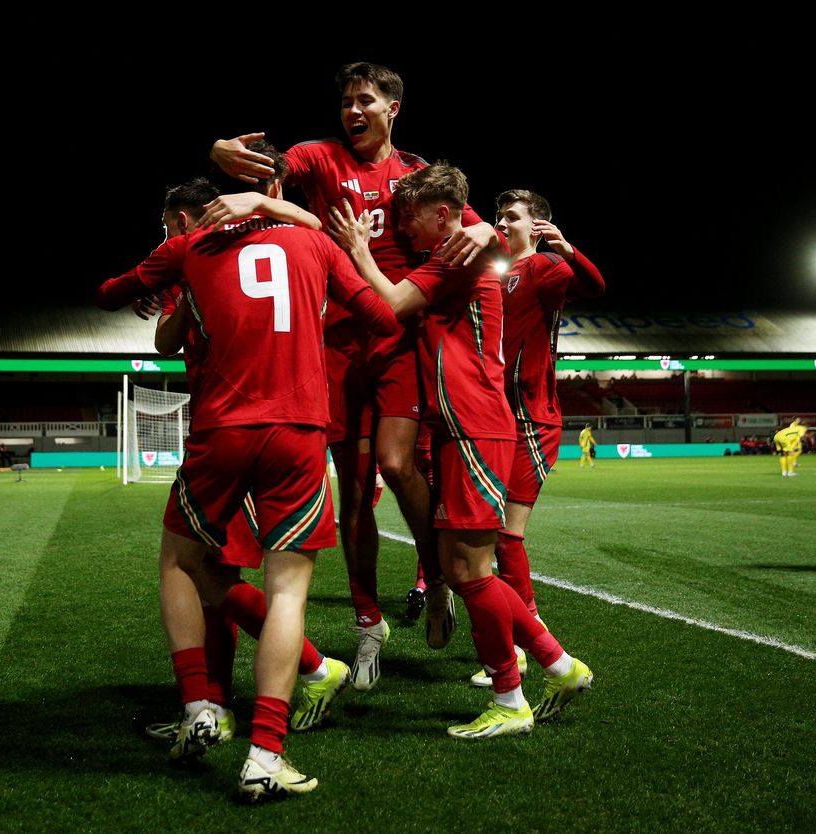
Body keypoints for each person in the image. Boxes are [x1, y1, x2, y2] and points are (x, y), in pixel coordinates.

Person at [99, 142, 398, 800]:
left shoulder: (192, 250)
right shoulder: (312, 247)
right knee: (274, 586)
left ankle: (205, 706)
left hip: (223, 428)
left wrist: (165, 276)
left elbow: (112, 295)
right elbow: (382, 318)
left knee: (191, 565)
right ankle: (265, 745)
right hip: (297, 429)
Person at [211, 62, 500, 691]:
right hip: (335, 340)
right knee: (355, 488)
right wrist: (223, 153)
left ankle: (438, 575)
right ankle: (370, 623)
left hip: (395, 336)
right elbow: (273, 167)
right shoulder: (319, 157)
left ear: (394, 107)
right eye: (345, 100)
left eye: (365, 99)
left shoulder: (412, 173)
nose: (352, 110)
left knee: (398, 465)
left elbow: (472, 220)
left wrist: (480, 232)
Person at [330, 162, 593, 739]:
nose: (400, 228)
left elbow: (389, 307)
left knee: (472, 570)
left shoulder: (456, 254)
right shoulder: (464, 250)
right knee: (463, 567)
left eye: (409, 217)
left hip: (477, 426)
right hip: (461, 429)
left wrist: (356, 251)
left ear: (442, 215)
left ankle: (513, 696)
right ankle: (557, 665)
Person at [139, 176, 352, 747]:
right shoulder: (197, 264)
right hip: (224, 426)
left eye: (168, 229)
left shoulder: (260, 251)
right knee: (210, 573)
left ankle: (222, 703)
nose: (165, 239)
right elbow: (164, 339)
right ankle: (285, 678)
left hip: (252, 424)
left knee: (212, 572)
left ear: (186, 220)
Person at [463, 188, 604, 688]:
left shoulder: (544, 269)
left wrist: (566, 250)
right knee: (481, 536)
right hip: (494, 417)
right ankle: (519, 641)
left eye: (512, 217)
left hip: (532, 420)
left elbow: (592, 286)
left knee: (506, 535)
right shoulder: (493, 271)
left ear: (538, 225)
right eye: (498, 215)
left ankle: (529, 643)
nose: (501, 223)